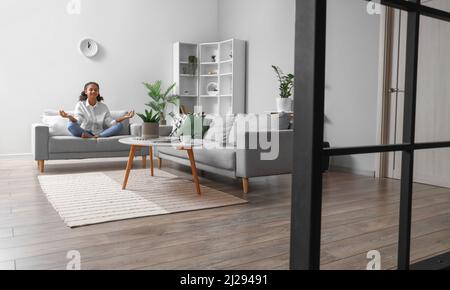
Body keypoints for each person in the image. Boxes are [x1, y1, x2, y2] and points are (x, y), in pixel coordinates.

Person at [59, 82, 134, 138]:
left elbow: (110, 123)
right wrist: (69, 117)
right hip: (84, 132)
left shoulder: (103, 107)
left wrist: (125, 117)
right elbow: (78, 121)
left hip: (99, 132)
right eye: (91, 90)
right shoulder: (80, 105)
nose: (93, 91)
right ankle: (92, 137)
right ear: (86, 92)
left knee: (119, 126)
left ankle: (97, 137)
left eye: (96, 90)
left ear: (98, 92)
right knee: (71, 125)